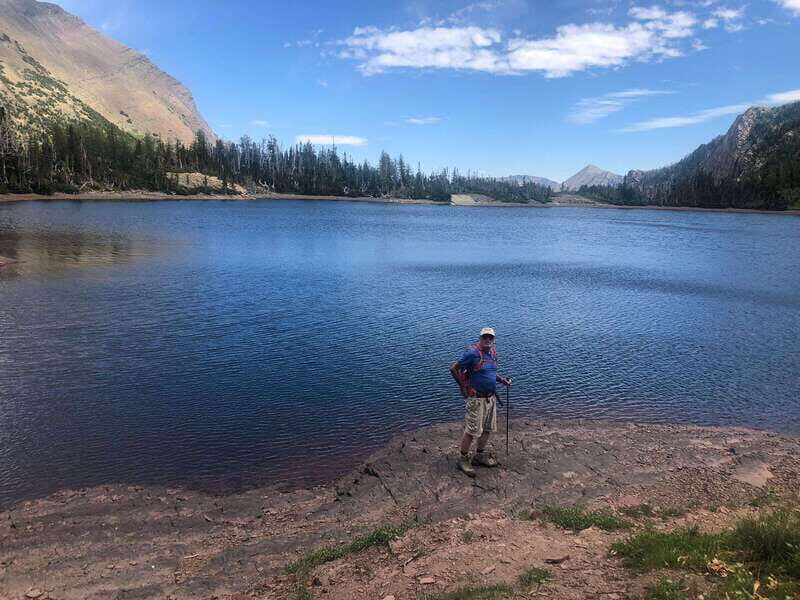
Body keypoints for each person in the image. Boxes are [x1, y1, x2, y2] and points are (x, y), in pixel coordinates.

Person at [450, 327, 512, 477]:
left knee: (487, 429)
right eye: (485, 337)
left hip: (490, 398)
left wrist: (502, 380)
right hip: (476, 399)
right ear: (480, 338)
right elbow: (454, 368)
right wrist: (463, 387)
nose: (488, 340)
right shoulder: (472, 354)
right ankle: (463, 459)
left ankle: (479, 455)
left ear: (493, 340)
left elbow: (490, 372)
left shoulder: (492, 353)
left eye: (490, 338)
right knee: (471, 431)